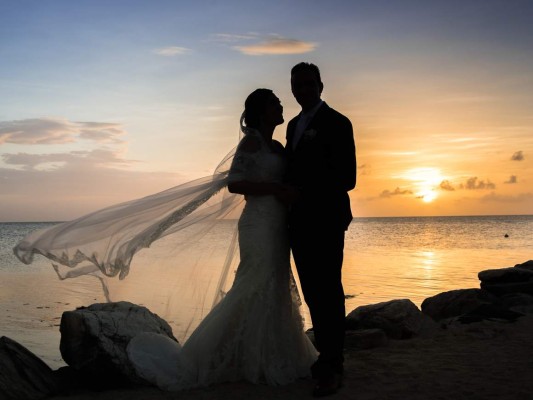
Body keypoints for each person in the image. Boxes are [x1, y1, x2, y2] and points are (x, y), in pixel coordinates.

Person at [14, 88, 317, 390]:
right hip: (257, 223)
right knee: (253, 283)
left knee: (275, 282)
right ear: (261, 110)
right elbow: (235, 183)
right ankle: (224, 355)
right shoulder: (251, 142)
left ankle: (272, 352)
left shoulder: (278, 146)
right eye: (274, 102)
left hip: (278, 224)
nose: (280, 105)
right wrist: (275, 191)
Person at [285, 62, 357, 397]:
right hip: (297, 221)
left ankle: (333, 365)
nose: (303, 90)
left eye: (309, 84)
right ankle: (324, 357)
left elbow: (348, 178)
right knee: (313, 292)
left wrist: (305, 189)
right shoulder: (292, 126)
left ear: (321, 85)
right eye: (297, 85)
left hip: (327, 218)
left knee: (329, 290)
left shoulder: (339, 123)